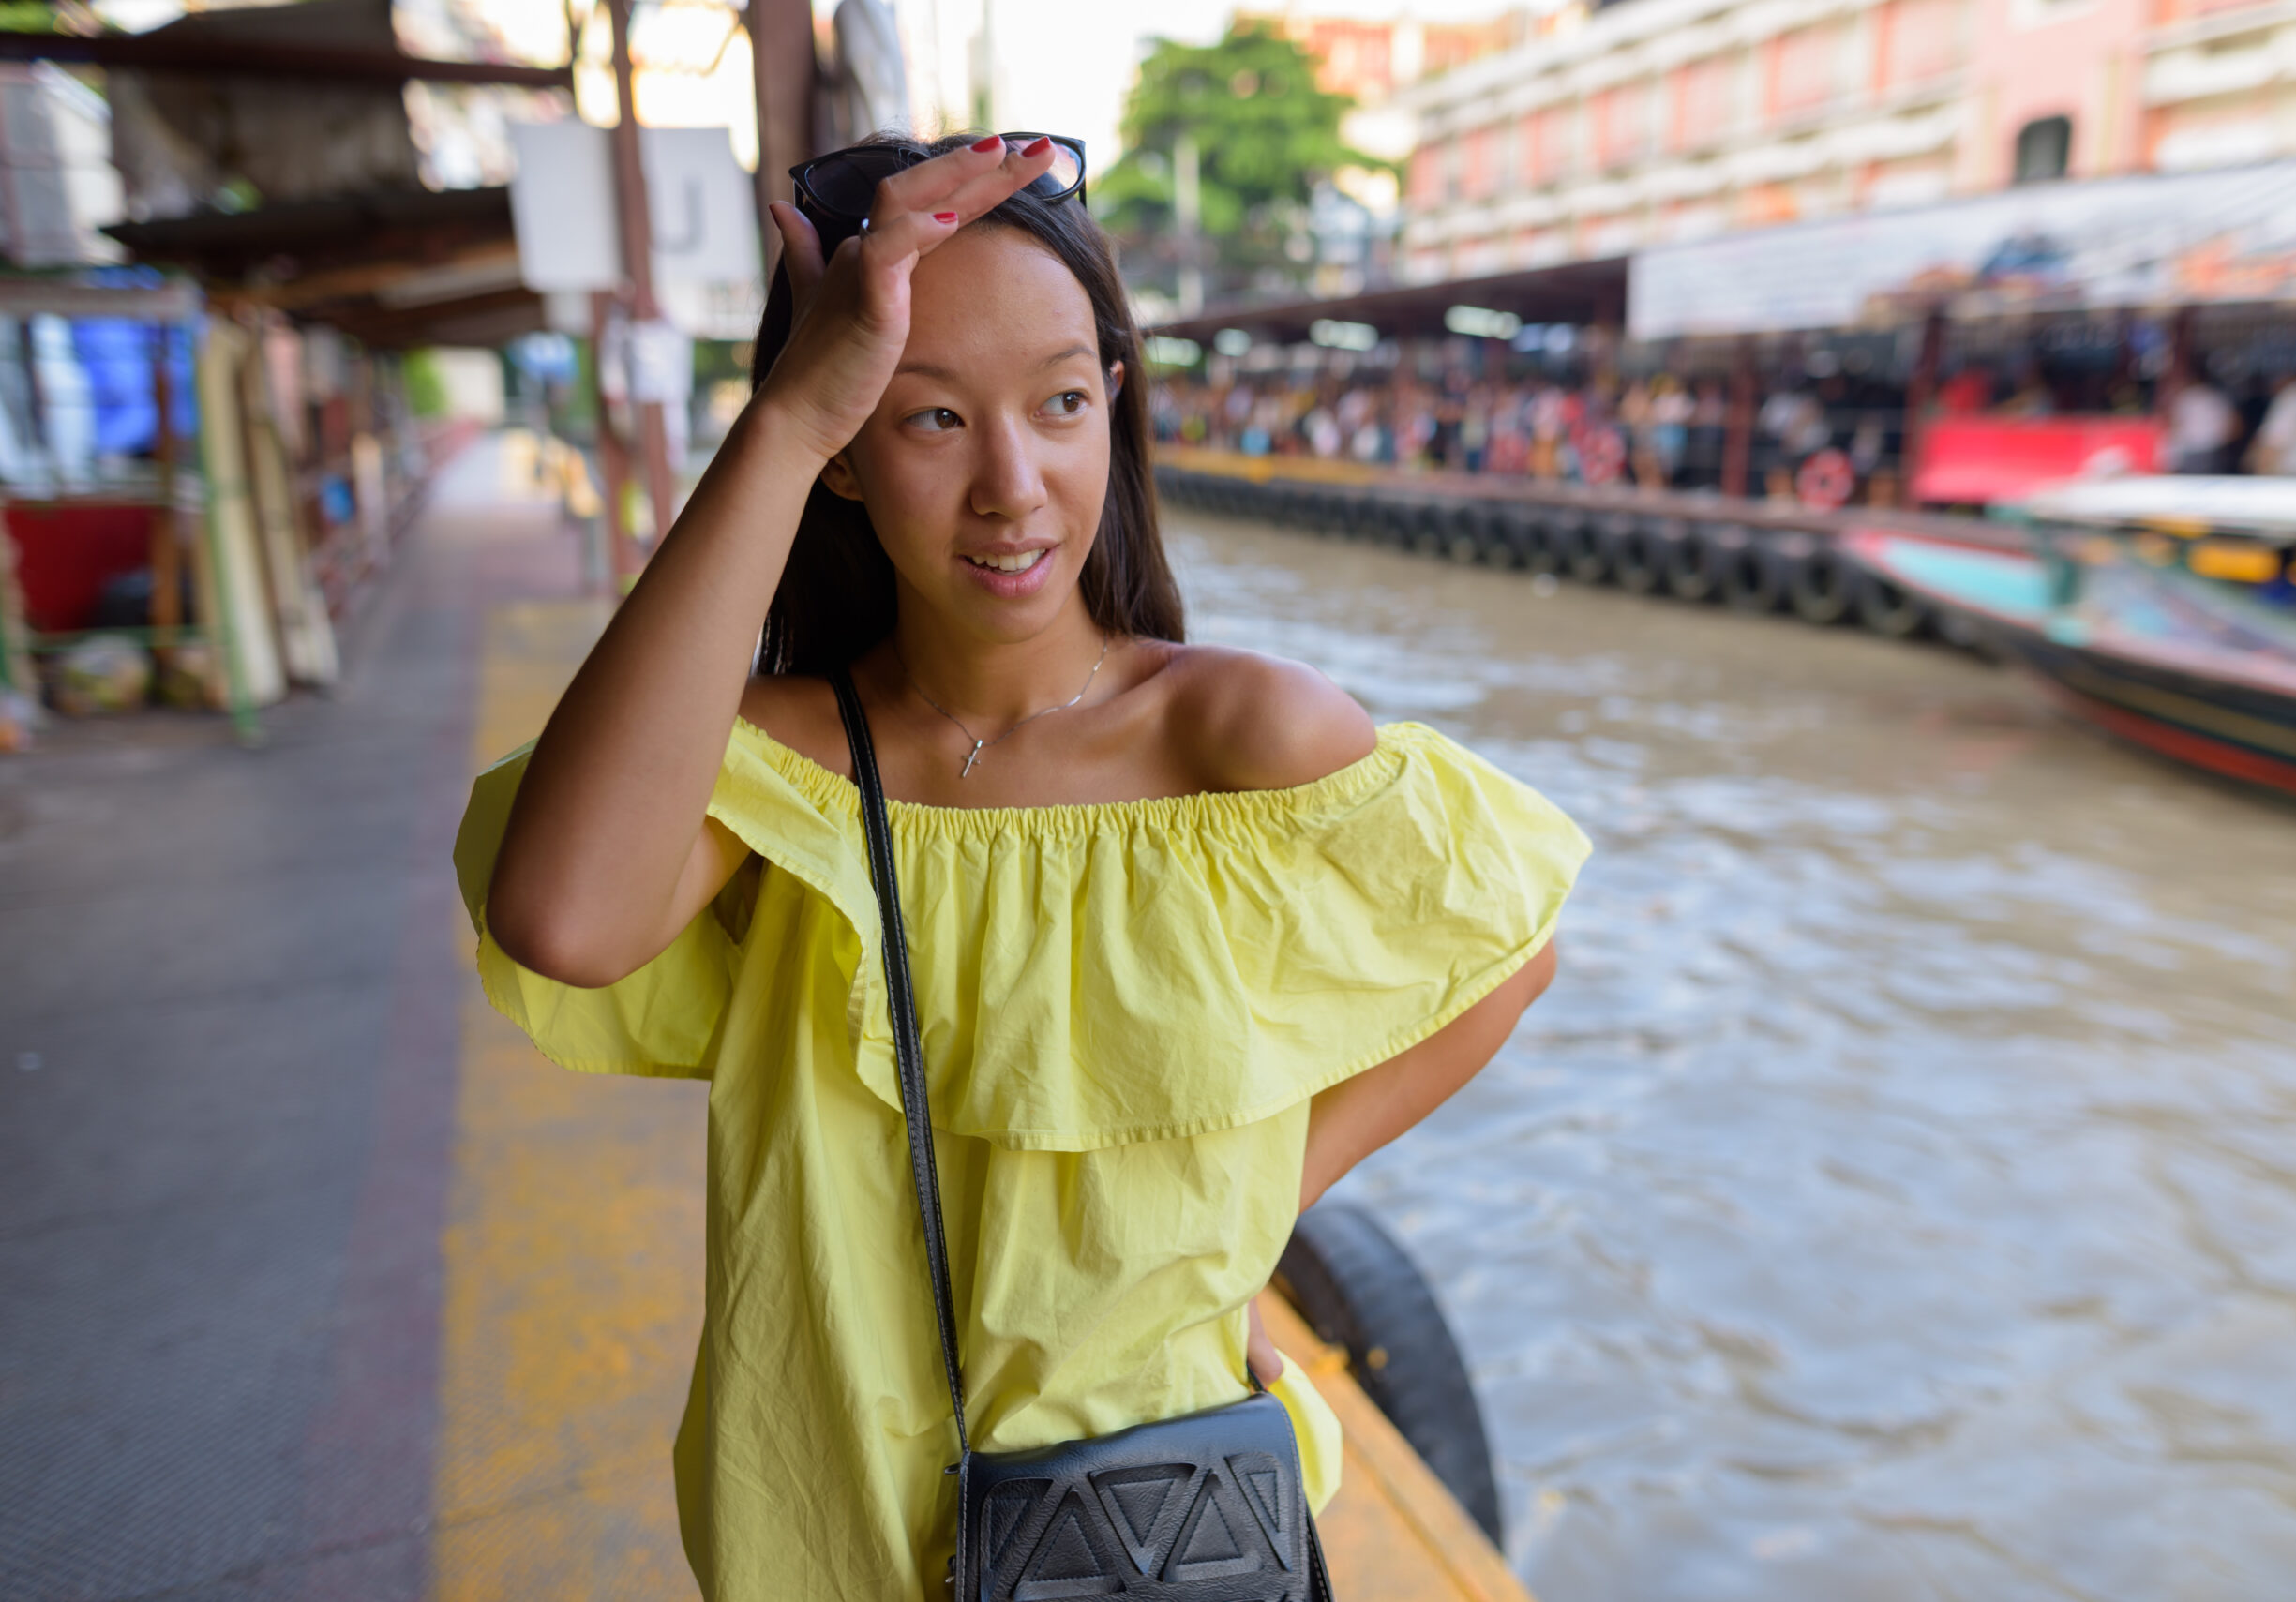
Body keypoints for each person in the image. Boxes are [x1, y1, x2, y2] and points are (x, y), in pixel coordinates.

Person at [454, 131, 1588, 1601]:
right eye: (928, 420)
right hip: (827, 1527)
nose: (1014, 485)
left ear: (1113, 400)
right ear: (852, 447)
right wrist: (785, 427)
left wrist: (1249, 1213)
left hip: (1159, 1529)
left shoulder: (1234, 737)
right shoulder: (778, 767)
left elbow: (1504, 954)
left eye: (1060, 402)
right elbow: (564, 916)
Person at [2167, 373, 2240, 474]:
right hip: (2210, 450)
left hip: (2198, 450)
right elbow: (2234, 426)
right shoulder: (2218, 397)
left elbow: (2176, 425)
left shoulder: (2185, 397)